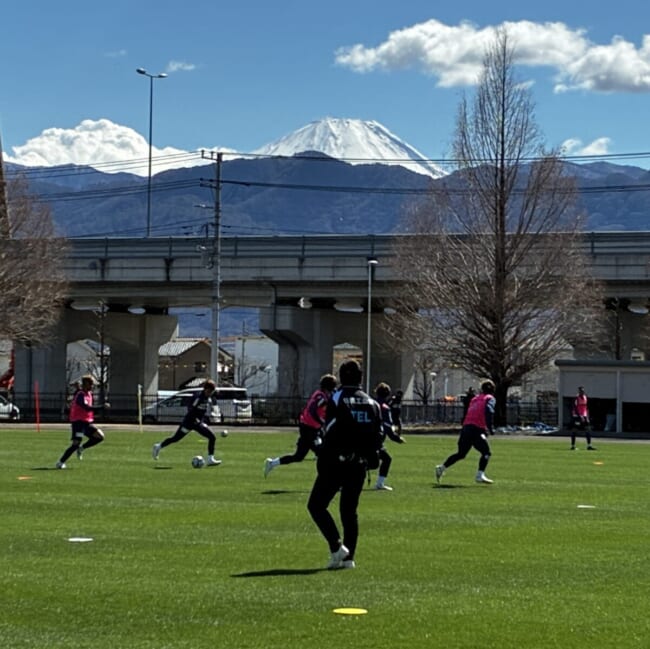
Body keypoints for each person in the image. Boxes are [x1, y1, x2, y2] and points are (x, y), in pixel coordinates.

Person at [307, 360, 383, 570]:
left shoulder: (337, 398)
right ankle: (349, 559)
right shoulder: (371, 402)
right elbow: (378, 435)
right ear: (361, 377)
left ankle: (336, 546)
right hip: (359, 464)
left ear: (341, 377)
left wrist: (324, 454)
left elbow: (331, 430)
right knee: (349, 511)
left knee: (316, 505)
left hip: (336, 461)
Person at [264, 374, 337, 477]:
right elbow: (313, 411)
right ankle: (327, 478)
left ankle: (272, 463)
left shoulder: (320, 394)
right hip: (309, 428)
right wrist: (322, 422)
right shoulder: (321, 397)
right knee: (322, 453)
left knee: (299, 456)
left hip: (311, 427)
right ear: (327, 388)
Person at [435, 379, 495, 484]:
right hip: (476, 429)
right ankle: (480, 475)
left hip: (466, 428)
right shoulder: (490, 398)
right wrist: (490, 428)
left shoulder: (475, 399)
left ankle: (441, 467)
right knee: (486, 452)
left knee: (461, 454)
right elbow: (488, 411)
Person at [152, 379, 221, 465]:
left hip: (197, 424)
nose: (210, 393)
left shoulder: (207, 398)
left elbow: (201, 412)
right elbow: (191, 408)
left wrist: (201, 421)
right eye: (210, 391)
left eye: (212, 391)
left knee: (212, 437)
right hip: (189, 422)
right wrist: (195, 419)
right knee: (175, 438)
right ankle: (158, 446)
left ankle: (210, 458)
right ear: (206, 389)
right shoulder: (199, 397)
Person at [56, 375, 108, 469]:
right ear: (86, 384)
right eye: (91, 384)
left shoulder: (89, 394)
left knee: (100, 436)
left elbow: (90, 409)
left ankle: (82, 448)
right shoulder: (80, 395)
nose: (92, 386)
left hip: (87, 423)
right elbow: (86, 407)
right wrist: (102, 407)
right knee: (75, 443)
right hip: (78, 423)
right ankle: (60, 462)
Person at [373, 383, 406, 491]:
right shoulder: (385, 408)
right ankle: (380, 483)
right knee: (386, 459)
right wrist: (397, 439)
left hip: (361, 438)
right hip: (376, 440)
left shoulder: (370, 403)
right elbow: (388, 429)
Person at [569, 386, 596, 450]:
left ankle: (589, 446)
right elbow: (575, 408)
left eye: (583, 391)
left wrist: (587, 417)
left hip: (584, 415)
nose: (582, 392)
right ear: (579, 391)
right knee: (574, 430)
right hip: (577, 416)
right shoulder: (576, 398)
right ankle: (573, 446)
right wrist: (579, 416)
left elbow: (586, 408)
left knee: (588, 430)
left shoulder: (585, 397)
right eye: (581, 391)